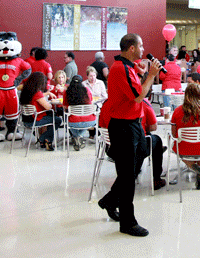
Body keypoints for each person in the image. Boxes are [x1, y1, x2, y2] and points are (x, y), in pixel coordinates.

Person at [97, 33, 161, 237]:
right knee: (126, 176)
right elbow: (138, 96)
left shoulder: (129, 68)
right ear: (131, 48)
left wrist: (143, 74)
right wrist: (151, 75)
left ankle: (109, 199)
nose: (143, 49)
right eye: (140, 46)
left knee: (140, 155)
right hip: (123, 126)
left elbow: (137, 91)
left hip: (134, 124)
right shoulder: (120, 68)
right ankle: (127, 222)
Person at [171, 83, 200, 190]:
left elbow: (174, 134)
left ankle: (194, 167)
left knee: (177, 146)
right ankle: (199, 171)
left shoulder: (178, 111)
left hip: (184, 149)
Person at [20, 72, 61, 151]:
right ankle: (43, 139)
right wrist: (49, 102)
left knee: (51, 117)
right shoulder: (37, 93)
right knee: (57, 119)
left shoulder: (26, 91)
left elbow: (38, 96)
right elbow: (48, 107)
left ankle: (45, 140)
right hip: (35, 120)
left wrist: (47, 93)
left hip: (26, 120)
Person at [137, 99, 167, 191]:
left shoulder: (109, 103)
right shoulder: (143, 103)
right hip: (138, 147)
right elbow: (153, 126)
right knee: (156, 140)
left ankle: (134, 170)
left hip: (113, 149)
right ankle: (156, 179)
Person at [64, 75, 95, 151]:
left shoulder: (67, 92)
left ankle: (76, 137)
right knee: (85, 122)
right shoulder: (86, 90)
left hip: (74, 121)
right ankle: (80, 136)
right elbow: (90, 102)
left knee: (67, 120)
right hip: (89, 121)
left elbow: (65, 106)